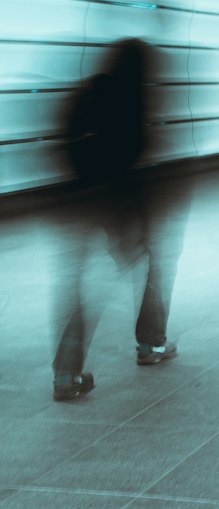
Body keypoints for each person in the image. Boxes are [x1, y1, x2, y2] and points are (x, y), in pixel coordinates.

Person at [53, 36, 182, 401]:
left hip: (78, 201)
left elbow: (64, 140)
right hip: (120, 204)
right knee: (153, 264)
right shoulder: (134, 101)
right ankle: (151, 345)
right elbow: (137, 155)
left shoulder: (87, 92)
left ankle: (66, 375)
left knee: (78, 287)